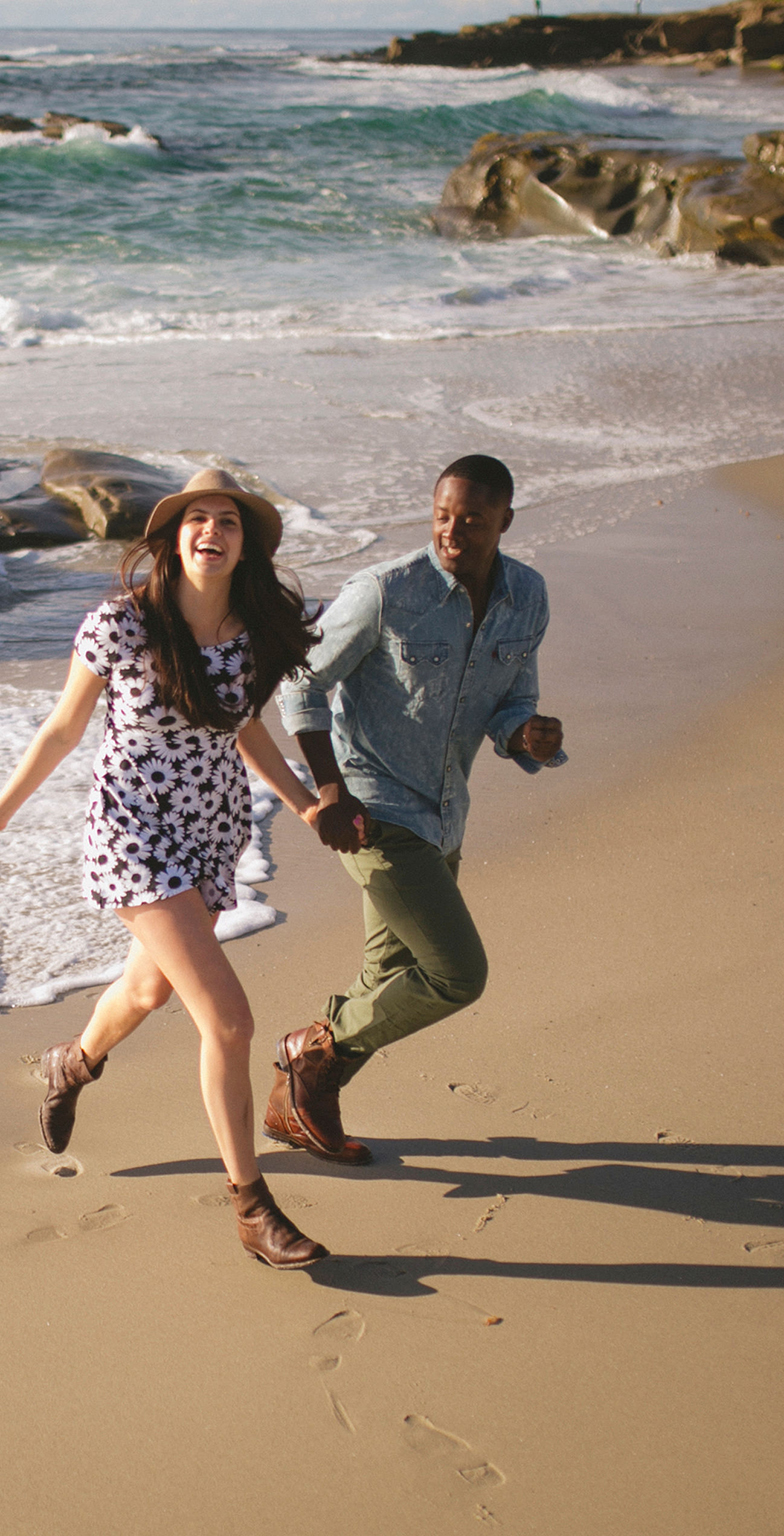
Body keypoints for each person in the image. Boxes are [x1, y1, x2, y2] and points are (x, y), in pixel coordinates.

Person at [0, 468, 337, 1269]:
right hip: (133, 834)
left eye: (227, 521)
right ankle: (251, 1207)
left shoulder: (250, 630)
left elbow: (246, 731)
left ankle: (73, 1063)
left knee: (148, 987)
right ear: (171, 539)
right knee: (228, 1019)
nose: (211, 531)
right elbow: (63, 729)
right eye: (196, 519)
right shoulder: (122, 625)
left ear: (245, 544)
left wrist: (303, 804)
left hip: (209, 831)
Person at [262, 453, 565, 1164]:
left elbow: (512, 699)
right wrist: (328, 791)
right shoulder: (384, 591)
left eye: (472, 520)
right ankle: (312, 1056)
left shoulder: (528, 595)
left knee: (386, 978)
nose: (452, 532)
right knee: (457, 973)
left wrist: (528, 733)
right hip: (372, 807)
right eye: (441, 516)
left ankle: (295, 1108)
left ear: (504, 522)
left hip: (445, 810)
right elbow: (299, 682)